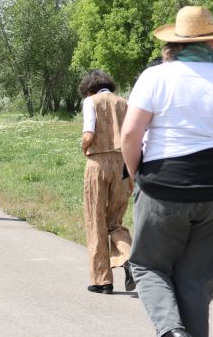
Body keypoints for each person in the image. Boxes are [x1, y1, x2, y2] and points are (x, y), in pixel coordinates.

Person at [121, 6, 213, 337]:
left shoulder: (155, 77)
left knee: (146, 264)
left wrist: (136, 174)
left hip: (162, 185)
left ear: (174, 44)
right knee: (195, 281)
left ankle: (171, 331)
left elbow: (129, 135)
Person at [78, 69, 134, 295]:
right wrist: (131, 173)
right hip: (122, 164)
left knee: (95, 220)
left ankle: (102, 281)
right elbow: (132, 138)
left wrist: (83, 147)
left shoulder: (90, 101)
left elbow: (89, 133)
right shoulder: (125, 103)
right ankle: (130, 258)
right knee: (115, 221)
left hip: (98, 164)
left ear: (89, 88)